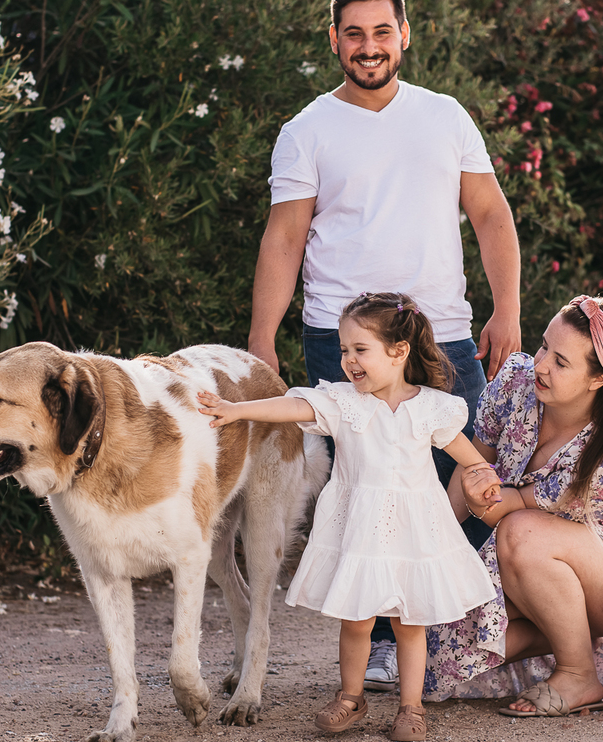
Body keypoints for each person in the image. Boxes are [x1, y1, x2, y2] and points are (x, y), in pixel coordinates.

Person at [248, 0, 521, 692]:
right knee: (366, 498)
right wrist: (261, 338)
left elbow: (491, 215)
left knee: (469, 478)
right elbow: (283, 240)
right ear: (334, 40)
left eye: (381, 32)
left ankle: (454, 636)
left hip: (447, 335)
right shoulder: (306, 131)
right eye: (354, 34)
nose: (369, 47)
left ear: (404, 35)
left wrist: (509, 309)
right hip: (344, 344)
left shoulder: (445, 116)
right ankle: (375, 648)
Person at [200, 293, 498, 741]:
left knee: (410, 623)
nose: (348, 361)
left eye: (360, 350)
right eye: (343, 350)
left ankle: (410, 708)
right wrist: (235, 410)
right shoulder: (345, 402)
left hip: (414, 533)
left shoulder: (431, 406)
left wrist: (482, 476)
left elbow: (467, 455)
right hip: (361, 532)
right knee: (357, 621)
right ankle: (351, 696)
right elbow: (293, 407)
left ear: (399, 352)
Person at [423, 295, 603, 721]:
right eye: (543, 347)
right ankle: (566, 633)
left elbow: (508, 508)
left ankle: (579, 672)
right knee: (438, 657)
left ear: (600, 377)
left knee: (521, 531)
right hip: (527, 558)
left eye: (560, 362)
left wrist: (484, 496)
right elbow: (473, 464)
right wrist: (431, 542)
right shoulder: (516, 382)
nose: (540, 365)